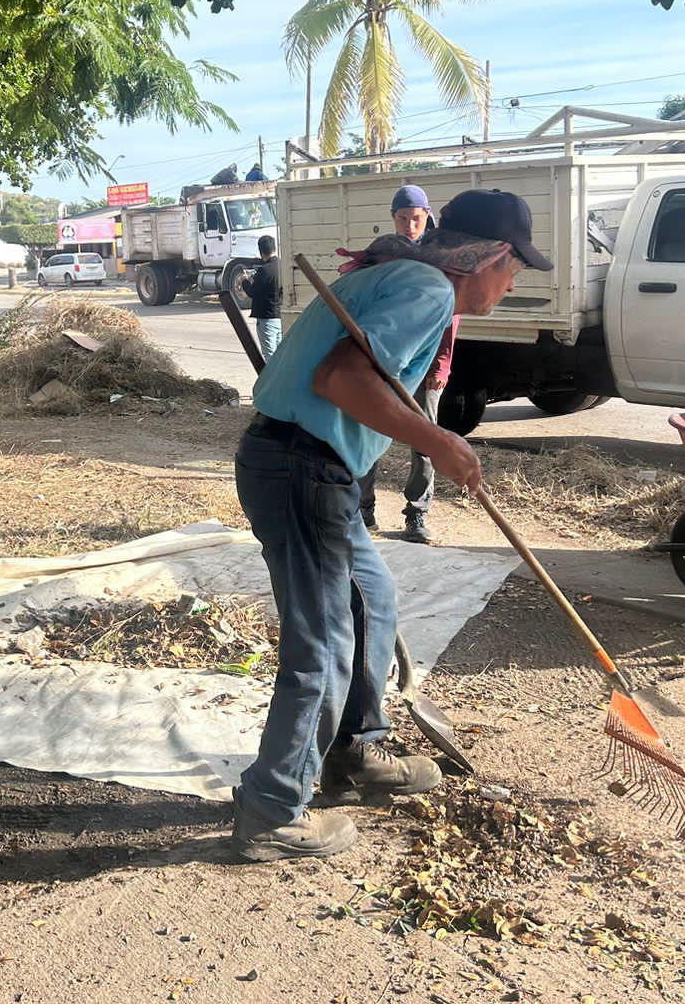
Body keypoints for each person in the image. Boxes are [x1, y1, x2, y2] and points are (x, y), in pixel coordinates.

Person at [230, 188, 552, 862]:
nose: (513, 282)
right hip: (301, 467)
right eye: (515, 268)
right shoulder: (428, 288)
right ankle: (272, 810)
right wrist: (438, 442)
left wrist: (429, 437)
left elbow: (351, 378)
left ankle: (353, 752)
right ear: (492, 257)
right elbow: (341, 379)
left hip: (310, 466)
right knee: (321, 642)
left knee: (373, 597)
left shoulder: (400, 277)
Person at [357, 184, 456, 544]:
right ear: (393, 218)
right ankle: (363, 508)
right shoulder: (385, 254)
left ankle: (417, 513)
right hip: (385, 360)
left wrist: (442, 364)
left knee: (425, 439)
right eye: (403, 219)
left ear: (427, 216)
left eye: (416, 218)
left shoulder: (439, 256)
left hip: (425, 363)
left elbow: (450, 316)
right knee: (369, 432)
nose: (410, 226)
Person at [247, 234, 283, 360]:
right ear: (274, 248)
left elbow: (252, 292)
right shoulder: (282, 267)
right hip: (279, 316)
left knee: (269, 356)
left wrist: (245, 281)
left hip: (266, 319)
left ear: (261, 251)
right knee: (280, 355)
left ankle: (273, 380)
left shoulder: (264, 271)